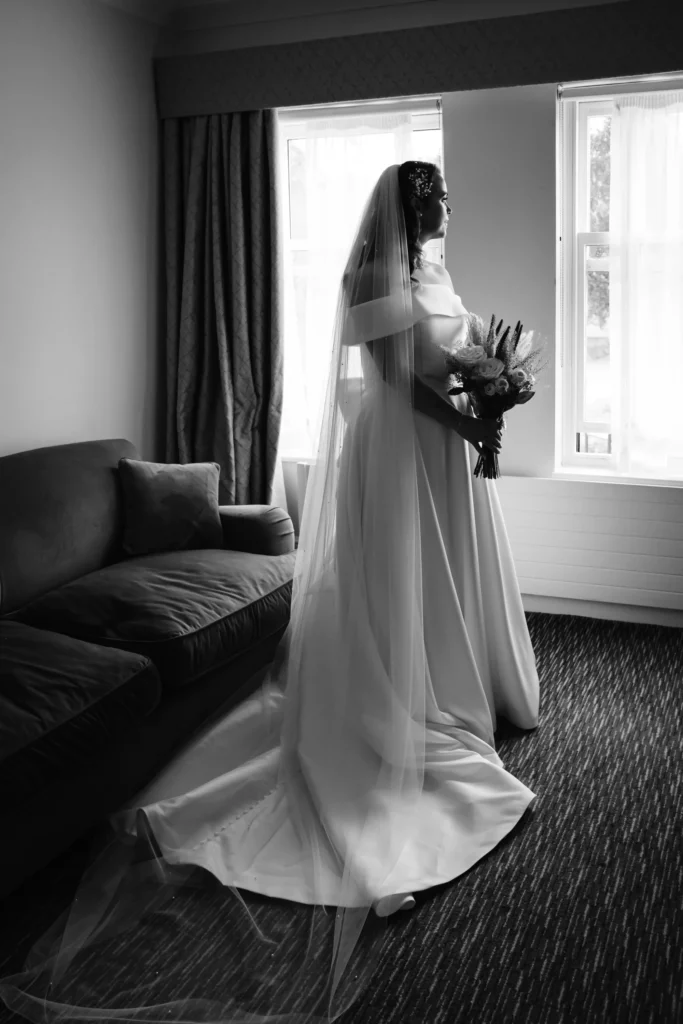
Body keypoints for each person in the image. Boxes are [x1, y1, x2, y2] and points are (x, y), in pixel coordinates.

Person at [0, 162, 539, 1024]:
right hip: (400, 443)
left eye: (445, 196)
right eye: (431, 197)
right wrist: (472, 417)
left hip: (444, 441)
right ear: (401, 206)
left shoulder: (432, 269)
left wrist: (488, 390)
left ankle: (457, 671)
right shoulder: (368, 275)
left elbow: (452, 351)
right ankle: (406, 692)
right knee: (397, 573)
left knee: (449, 566)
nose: (443, 207)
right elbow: (398, 378)